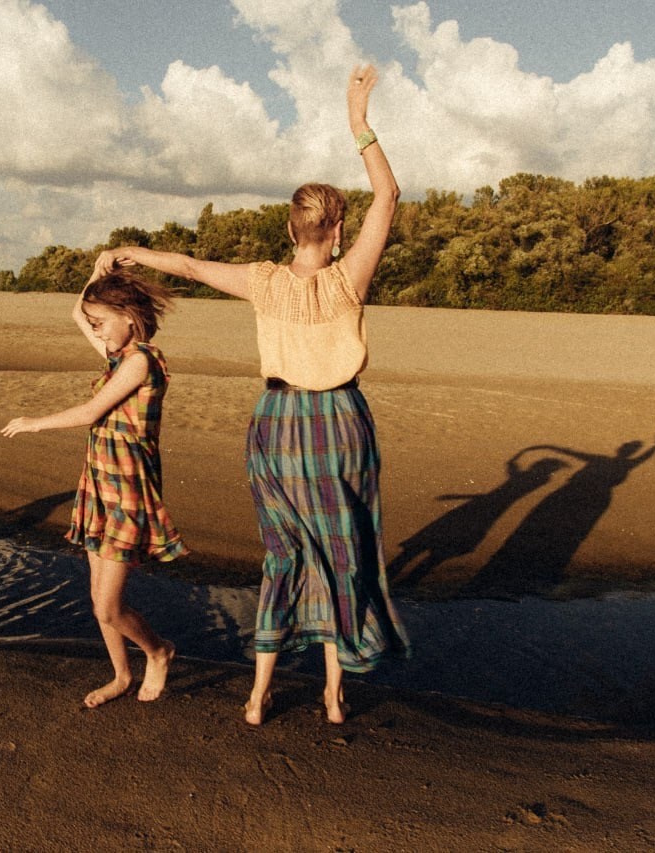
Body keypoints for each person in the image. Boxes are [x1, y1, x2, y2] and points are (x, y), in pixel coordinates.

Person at [87, 64, 409, 725]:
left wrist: (129, 250)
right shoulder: (350, 279)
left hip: (279, 422)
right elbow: (390, 194)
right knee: (339, 554)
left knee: (286, 551)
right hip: (341, 421)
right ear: (338, 233)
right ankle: (332, 691)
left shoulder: (264, 281)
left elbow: (187, 266)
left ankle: (260, 694)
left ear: (291, 232)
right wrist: (357, 120)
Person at [1, 271, 187, 708]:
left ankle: (158, 651)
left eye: (101, 320)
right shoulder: (117, 353)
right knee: (96, 597)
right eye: (95, 323)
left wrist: (34, 422)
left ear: (127, 316)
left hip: (127, 489)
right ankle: (121, 675)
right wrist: (100, 266)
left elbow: (91, 412)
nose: (96, 329)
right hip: (99, 483)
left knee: (108, 607)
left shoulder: (141, 361)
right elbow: (75, 312)